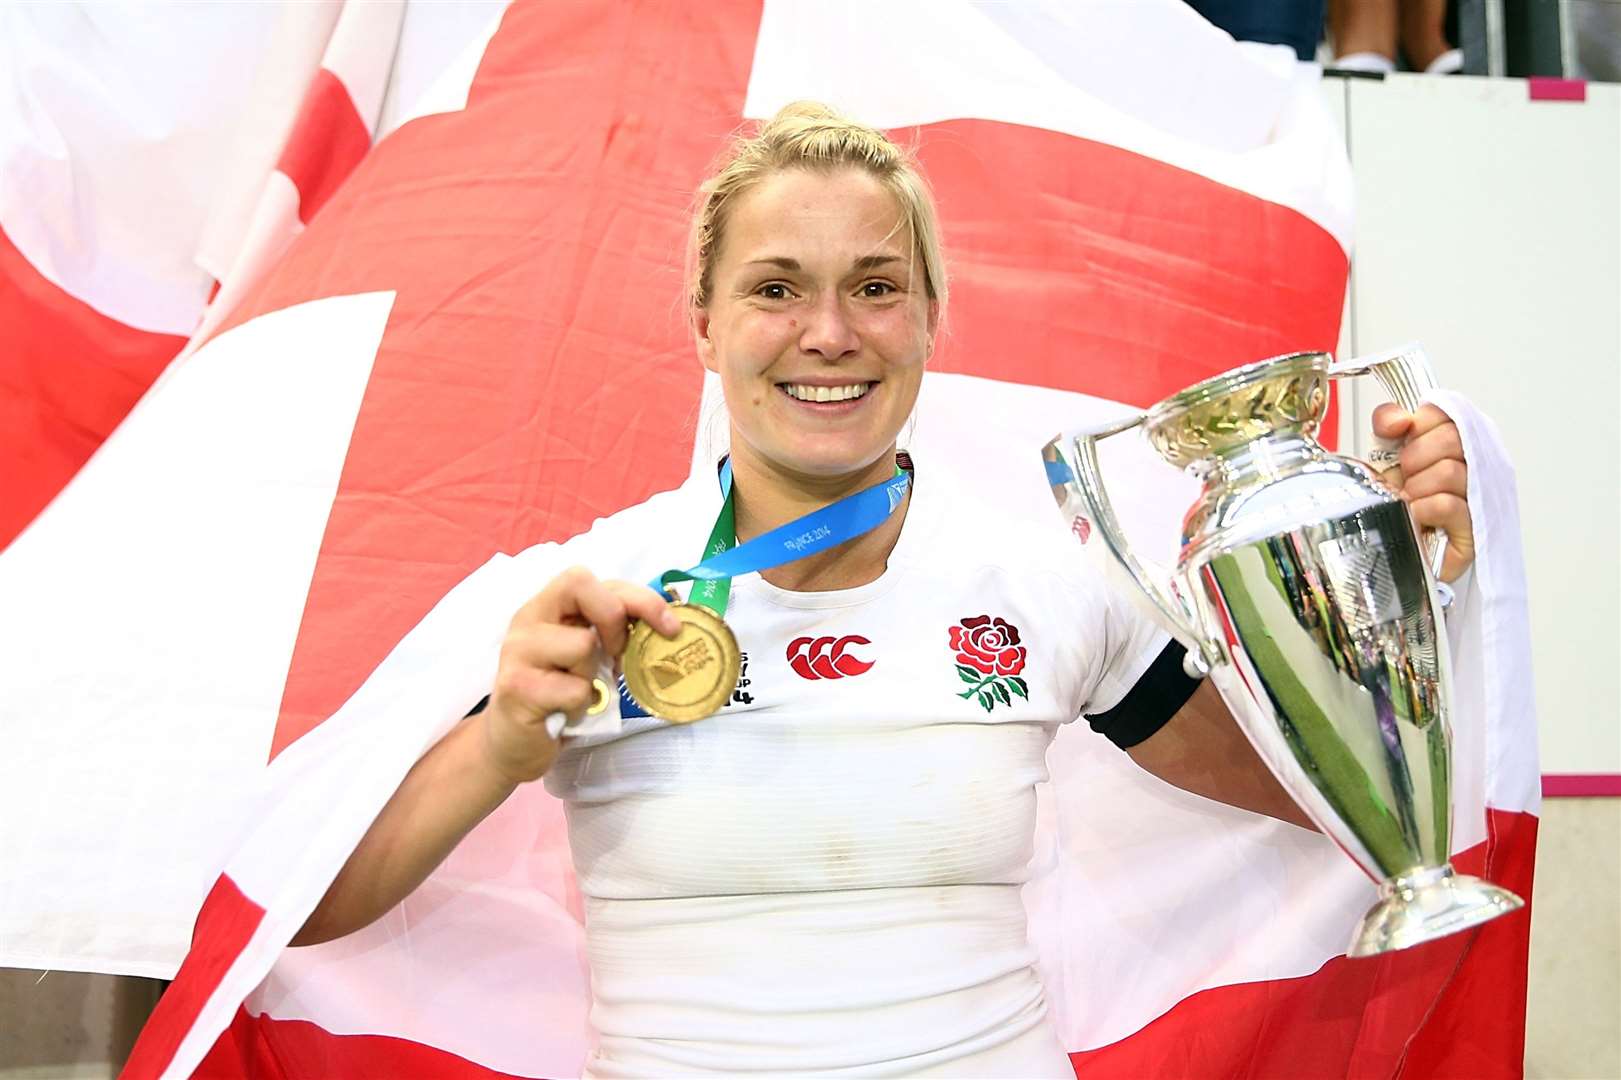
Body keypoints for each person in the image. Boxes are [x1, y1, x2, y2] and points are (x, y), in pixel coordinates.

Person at [290, 102, 1478, 1077]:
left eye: (873, 286)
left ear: (928, 319)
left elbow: (1336, 797)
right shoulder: (590, 602)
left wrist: (1369, 581)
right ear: (702, 324)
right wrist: (505, 739)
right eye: (772, 289)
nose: (827, 332)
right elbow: (303, 907)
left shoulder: (1052, 581)